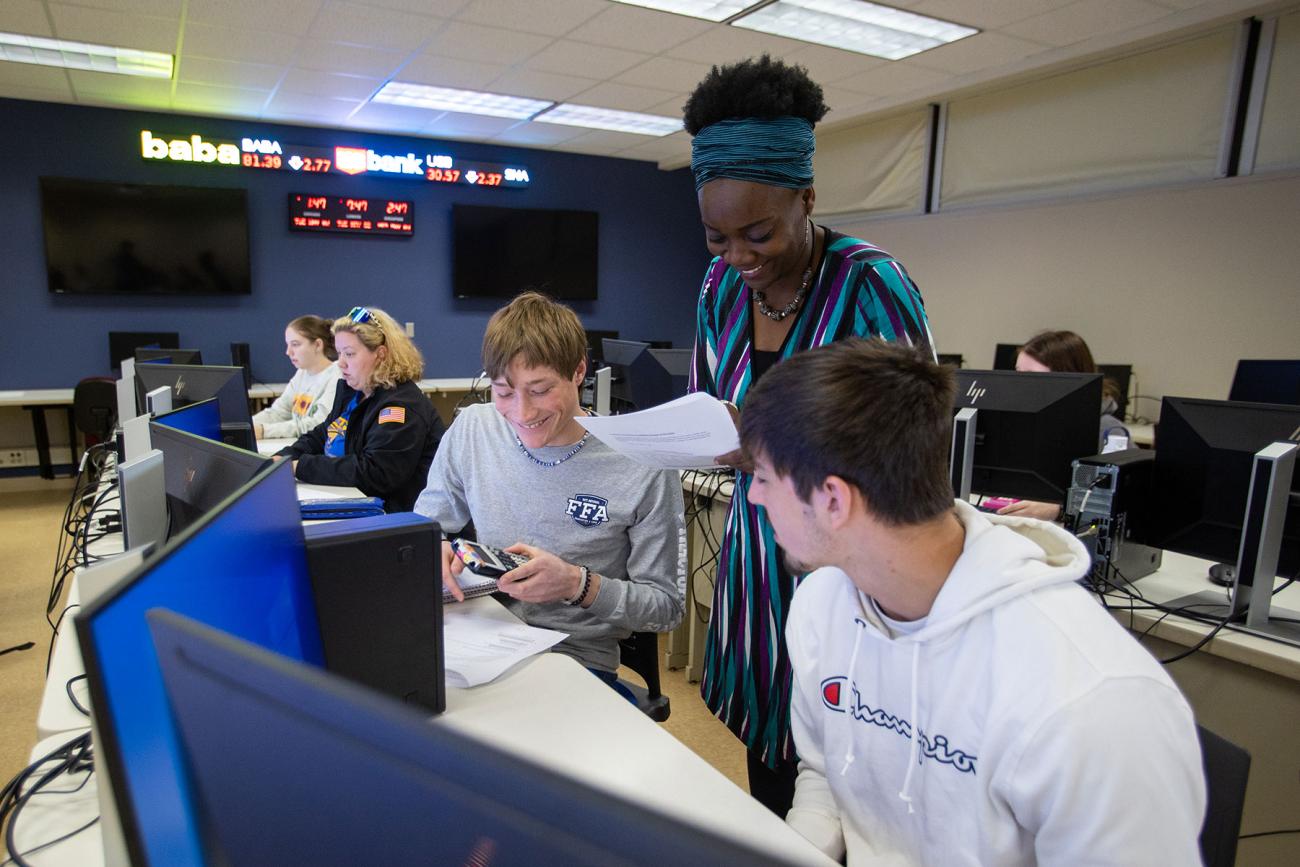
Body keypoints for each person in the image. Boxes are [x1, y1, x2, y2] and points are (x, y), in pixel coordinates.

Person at [738, 338, 1204, 865]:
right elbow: (825, 774)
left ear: (832, 500)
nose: (753, 497)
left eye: (761, 477)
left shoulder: (1093, 699)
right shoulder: (824, 602)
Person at [684, 54, 935, 815]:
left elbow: (908, 451)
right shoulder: (719, 289)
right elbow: (707, 402)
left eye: (758, 231)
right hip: (758, 570)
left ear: (808, 197)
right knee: (772, 785)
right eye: (717, 238)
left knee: (854, 791)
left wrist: (772, 445)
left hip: (853, 586)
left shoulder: (870, 285)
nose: (739, 258)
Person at [415, 292, 685, 691]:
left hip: (574, 662)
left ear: (579, 371)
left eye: (540, 390)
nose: (522, 413)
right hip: (475, 637)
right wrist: (429, 544)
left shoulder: (640, 465)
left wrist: (577, 585)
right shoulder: (474, 428)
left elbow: (666, 609)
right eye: (504, 392)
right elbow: (424, 526)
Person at [279, 306, 443, 513]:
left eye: (349, 354)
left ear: (380, 354)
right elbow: (324, 434)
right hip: (358, 502)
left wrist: (299, 466)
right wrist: (283, 458)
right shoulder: (355, 392)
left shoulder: (400, 407)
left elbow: (376, 473)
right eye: (339, 354)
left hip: (394, 518)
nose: (341, 363)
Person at [1001, 329, 1130, 521]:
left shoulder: (1108, 431)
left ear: (1067, 377)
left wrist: (1059, 509)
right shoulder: (1027, 424)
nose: (1020, 384)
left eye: (1032, 376)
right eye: (1018, 373)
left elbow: (1125, 502)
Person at [252, 314, 341, 440]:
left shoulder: (336, 376)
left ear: (317, 345)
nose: (288, 352)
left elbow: (319, 424)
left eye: (295, 344)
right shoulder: (302, 373)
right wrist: (246, 426)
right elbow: (278, 413)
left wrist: (264, 431)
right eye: (288, 345)